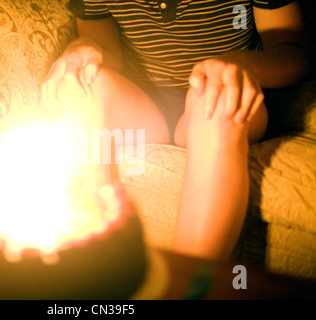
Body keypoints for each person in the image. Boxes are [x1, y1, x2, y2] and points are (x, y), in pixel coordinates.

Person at [41, 0, 308, 261]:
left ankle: (188, 281)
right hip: (149, 107)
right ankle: (92, 259)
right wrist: (84, 47)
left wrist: (244, 65)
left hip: (226, 90)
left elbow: (291, 50)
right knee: (79, 83)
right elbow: (109, 54)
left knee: (216, 97)